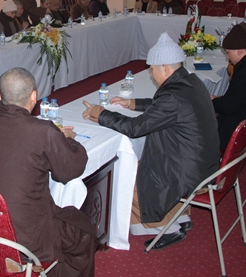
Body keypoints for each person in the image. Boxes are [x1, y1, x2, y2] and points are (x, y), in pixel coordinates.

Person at [82, 32, 220, 250]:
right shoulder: (191, 81)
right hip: (204, 162)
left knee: (127, 174)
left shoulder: (172, 96)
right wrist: (133, 103)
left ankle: (167, 228)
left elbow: (135, 128)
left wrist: (100, 114)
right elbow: (164, 107)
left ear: (165, 69)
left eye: (152, 70)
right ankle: (179, 215)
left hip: (187, 171)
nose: (151, 74)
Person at [0, 68, 96, 277]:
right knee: (83, 230)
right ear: (34, 97)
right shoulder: (43, 130)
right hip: (26, 237)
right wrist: (69, 140)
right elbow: (69, 170)